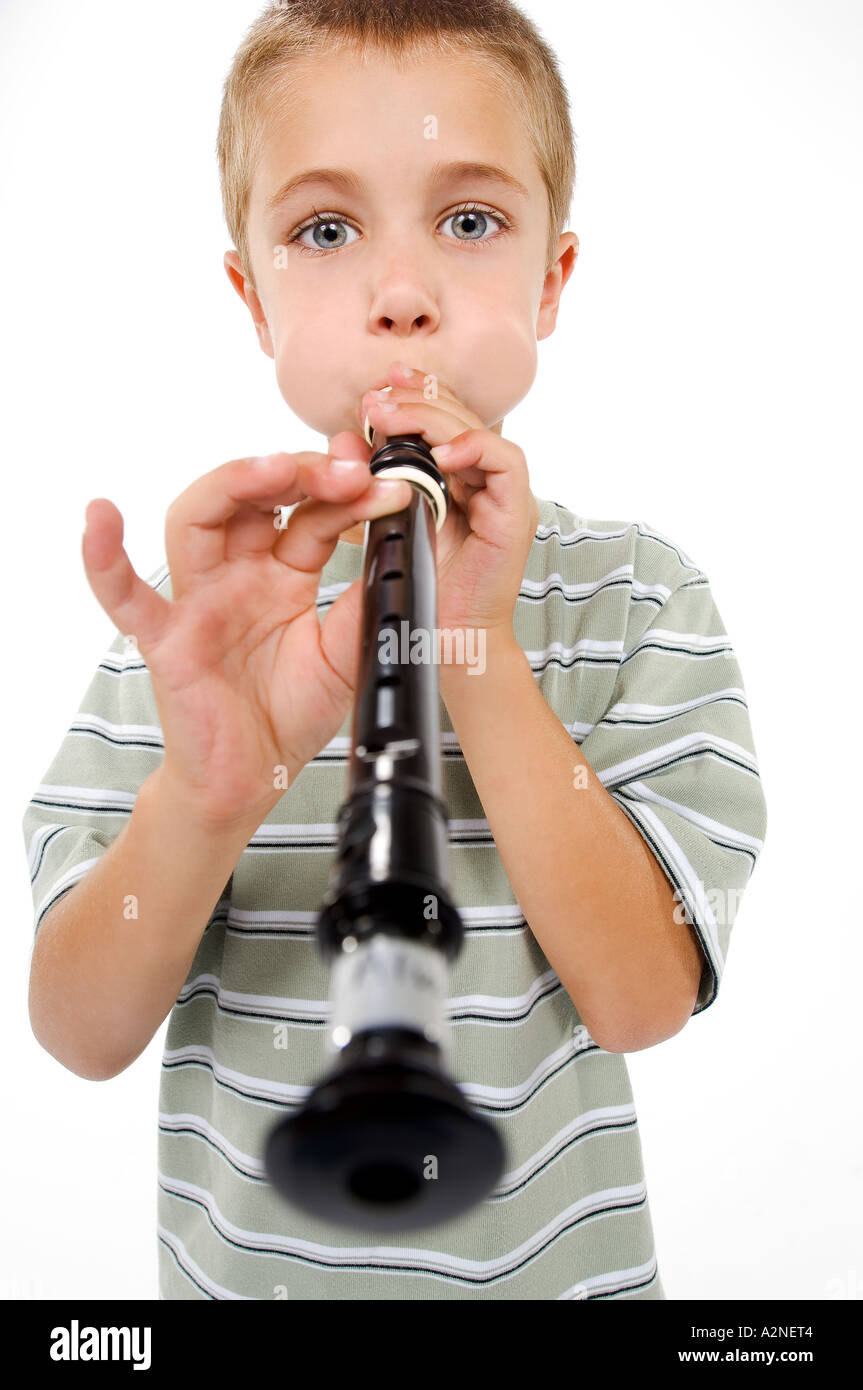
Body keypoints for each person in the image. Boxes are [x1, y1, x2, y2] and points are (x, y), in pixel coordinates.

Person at [22, 0, 768, 1300]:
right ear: (252, 296)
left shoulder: (640, 598)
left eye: (469, 220)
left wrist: (473, 642)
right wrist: (205, 795)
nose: (403, 296)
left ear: (553, 279)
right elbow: (78, 1029)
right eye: (325, 229)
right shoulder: (199, 630)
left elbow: (643, 997)